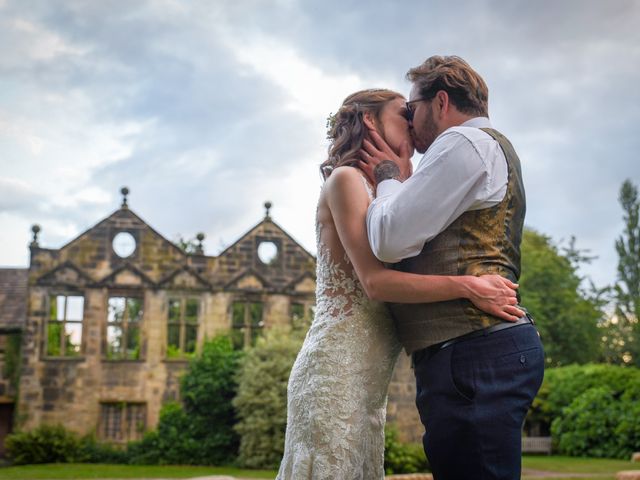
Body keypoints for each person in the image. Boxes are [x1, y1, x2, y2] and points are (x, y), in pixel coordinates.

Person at [276, 88, 525, 480]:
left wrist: (399, 177)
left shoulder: (385, 193)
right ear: (370, 120)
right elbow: (375, 283)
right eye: (402, 115)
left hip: (371, 375)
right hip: (337, 367)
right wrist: (469, 287)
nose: (412, 123)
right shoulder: (346, 180)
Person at [361, 56, 545, 480]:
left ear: (440, 102)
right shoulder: (484, 147)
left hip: (472, 354)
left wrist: (389, 175)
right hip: (477, 351)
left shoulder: (463, 143)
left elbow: (388, 238)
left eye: (412, 109)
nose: (409, 121)